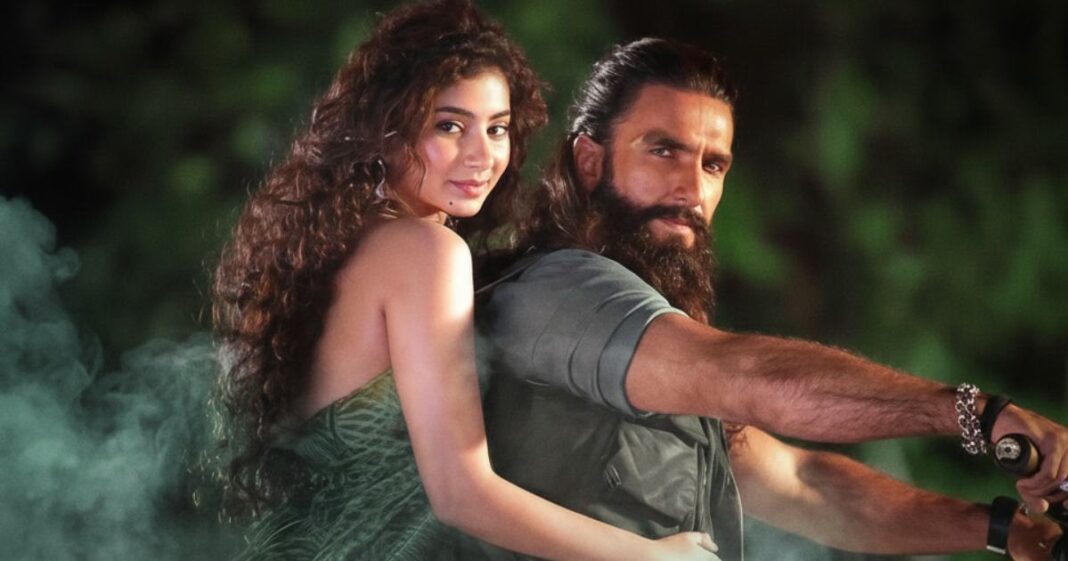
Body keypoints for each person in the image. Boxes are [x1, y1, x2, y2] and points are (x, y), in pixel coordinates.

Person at [468, 38, 1067, 560]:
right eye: (663, 150)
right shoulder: (560, 292)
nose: (692, 188)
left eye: (713, 165)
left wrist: (1003, 528)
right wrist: (974, 412)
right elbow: (747, 376)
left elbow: (804, 484)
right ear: (590, 162)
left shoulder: (660, 353)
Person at [210, 4, 720, 560]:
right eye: (449, 126)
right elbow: (461, 494)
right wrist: (649, 554)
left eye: (497, 128)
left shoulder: (339, 244)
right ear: (386, 128)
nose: (483, 155)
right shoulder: (426, 252)